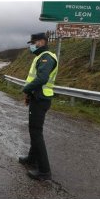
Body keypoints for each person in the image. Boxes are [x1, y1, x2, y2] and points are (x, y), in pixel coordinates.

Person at [19, 33, 58, 181]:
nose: (31, 45)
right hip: (37, 97)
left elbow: (42, 78)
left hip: (41, 99)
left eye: (33, 42)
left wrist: (26, 89)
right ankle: (31, 159)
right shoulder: (40, 57)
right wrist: (29, 95)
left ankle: (44, 171)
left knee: (36, 132)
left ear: (42, 42)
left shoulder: (46, 57)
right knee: (34, 130)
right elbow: (36, 77)